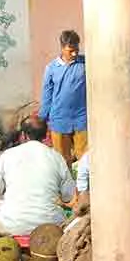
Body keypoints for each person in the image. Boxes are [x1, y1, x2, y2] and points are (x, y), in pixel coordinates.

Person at [0, 116, 77, 237]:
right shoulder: (56, 157)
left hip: (12, 225)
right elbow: (68, 195)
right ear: (45, 136)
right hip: (51, 224)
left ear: (23, 135)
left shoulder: (8, 155)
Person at [39, 29, 88, 165]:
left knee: (85, 158)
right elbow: (47, 94)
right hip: (59, 119)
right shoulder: (51, 68)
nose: (75, 53)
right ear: (62, 48)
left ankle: (84, 180)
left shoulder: (85, 63)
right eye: (70, 50)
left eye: (76, 49)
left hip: (81, 119)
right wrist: (42, 118)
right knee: (62, 160)